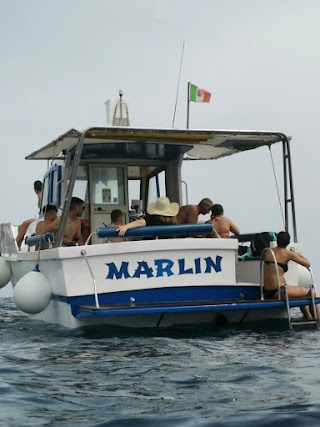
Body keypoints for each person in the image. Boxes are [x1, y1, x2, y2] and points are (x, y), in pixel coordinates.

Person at [263, 231, 319, 320]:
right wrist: (296, 254)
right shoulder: (287, 253)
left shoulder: (268, 252)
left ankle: (308, 317)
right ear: (288, 242)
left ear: (277, 240)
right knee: (311, 294)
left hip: (266, 291)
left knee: (300, 295)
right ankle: (318, 321)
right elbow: (307, 264)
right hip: (279, 291)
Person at [16, 180, 43, 249]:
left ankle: (18, 243)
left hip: (41, 217)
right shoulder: (41, 195)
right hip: (40, 215)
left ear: (34, 189)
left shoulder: (40, 196)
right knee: (20, 226)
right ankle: (18, 242)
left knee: (24, 224)